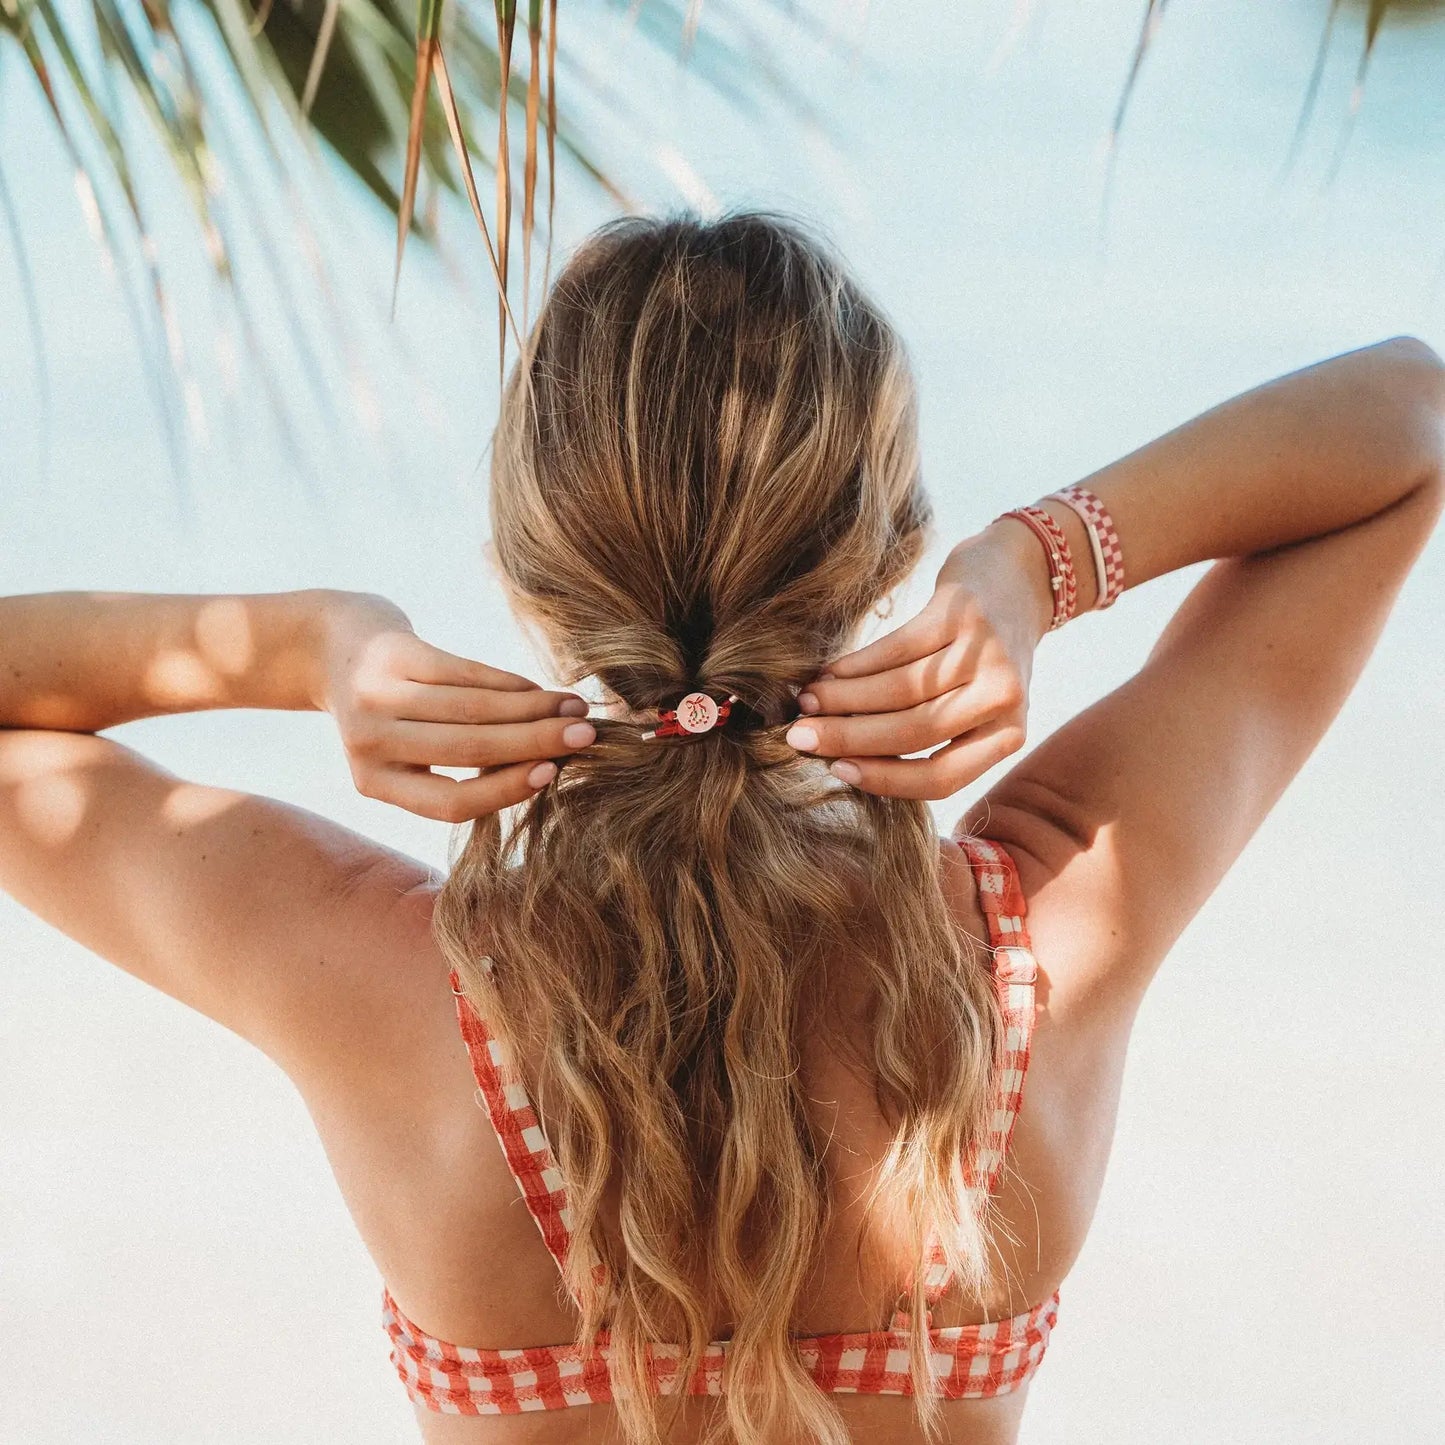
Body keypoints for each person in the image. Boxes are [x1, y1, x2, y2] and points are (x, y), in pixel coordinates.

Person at [0, 211, 1440, 1445]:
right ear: (883, 547)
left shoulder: (381, 978)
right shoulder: (1030, 951)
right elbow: (1407, 418)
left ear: (525, 553)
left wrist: (308, 649)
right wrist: (1036, 566)